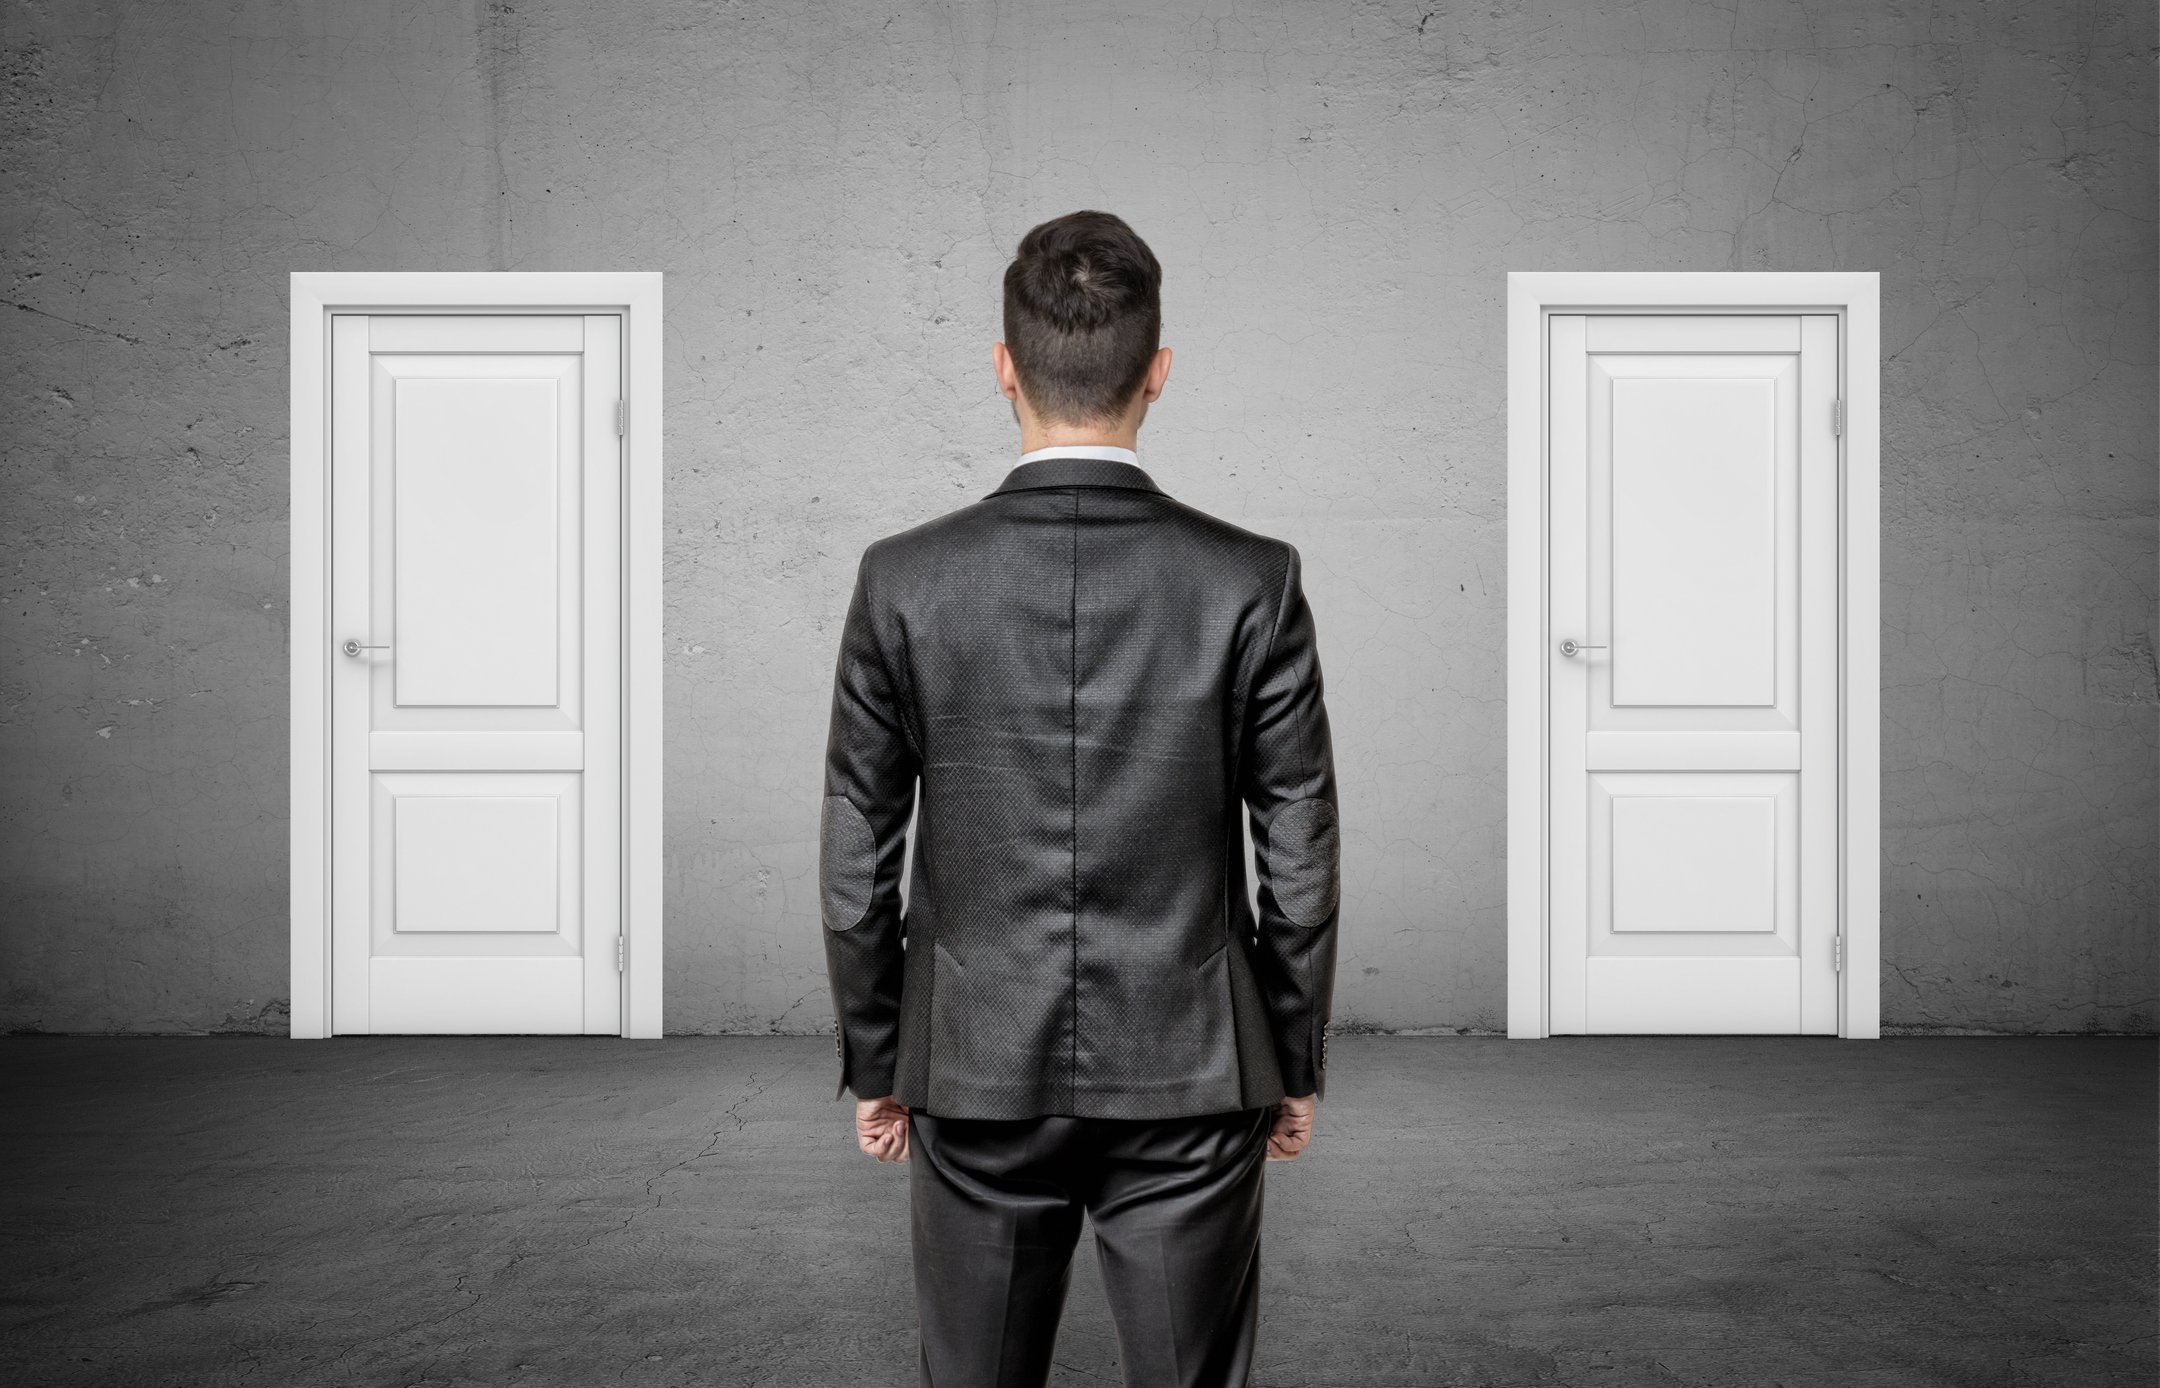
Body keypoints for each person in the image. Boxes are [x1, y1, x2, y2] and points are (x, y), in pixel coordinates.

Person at [817, 209, 1340, 1388]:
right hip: (1195, 1067)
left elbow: (857, 848)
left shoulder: (902, 580)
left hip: (973, 1065)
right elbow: (1299, 848)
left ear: (1004, 367)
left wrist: (883, 1054)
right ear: (1158, 371)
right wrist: (1290, 1055)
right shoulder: (1251, 580)